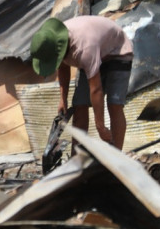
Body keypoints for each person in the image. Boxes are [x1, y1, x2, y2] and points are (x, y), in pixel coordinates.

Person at [30, 16, 133, 150]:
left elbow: (96, 90)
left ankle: (116, 158)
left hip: (118, 50)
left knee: (114, 105)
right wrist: (63, 99)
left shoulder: (84, 50)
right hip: (96, 50)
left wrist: (100, 127)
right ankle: (77, 157)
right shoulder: (55, 42)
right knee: (79, 104)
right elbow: (63, 66)